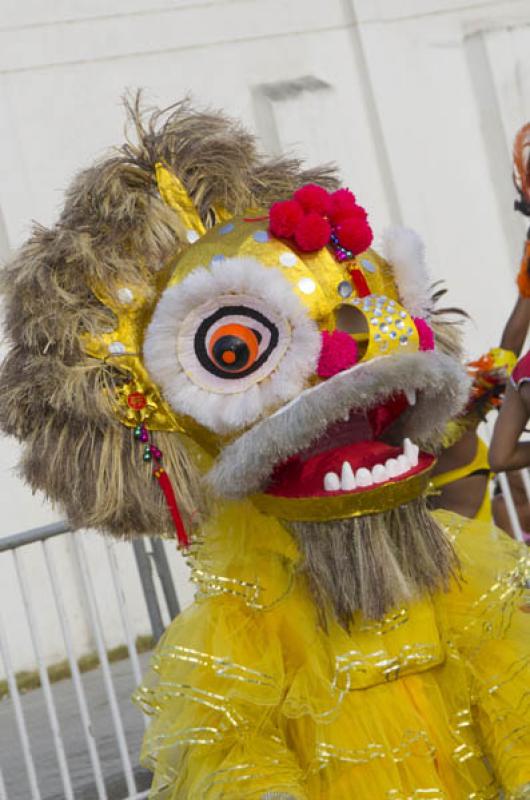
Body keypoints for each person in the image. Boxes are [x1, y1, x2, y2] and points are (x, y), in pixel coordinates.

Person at [1, 96, 529, 799]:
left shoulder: (461, 574)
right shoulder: (244, 629)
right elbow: (236, 754)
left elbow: (507, 701)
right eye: (232, 350)